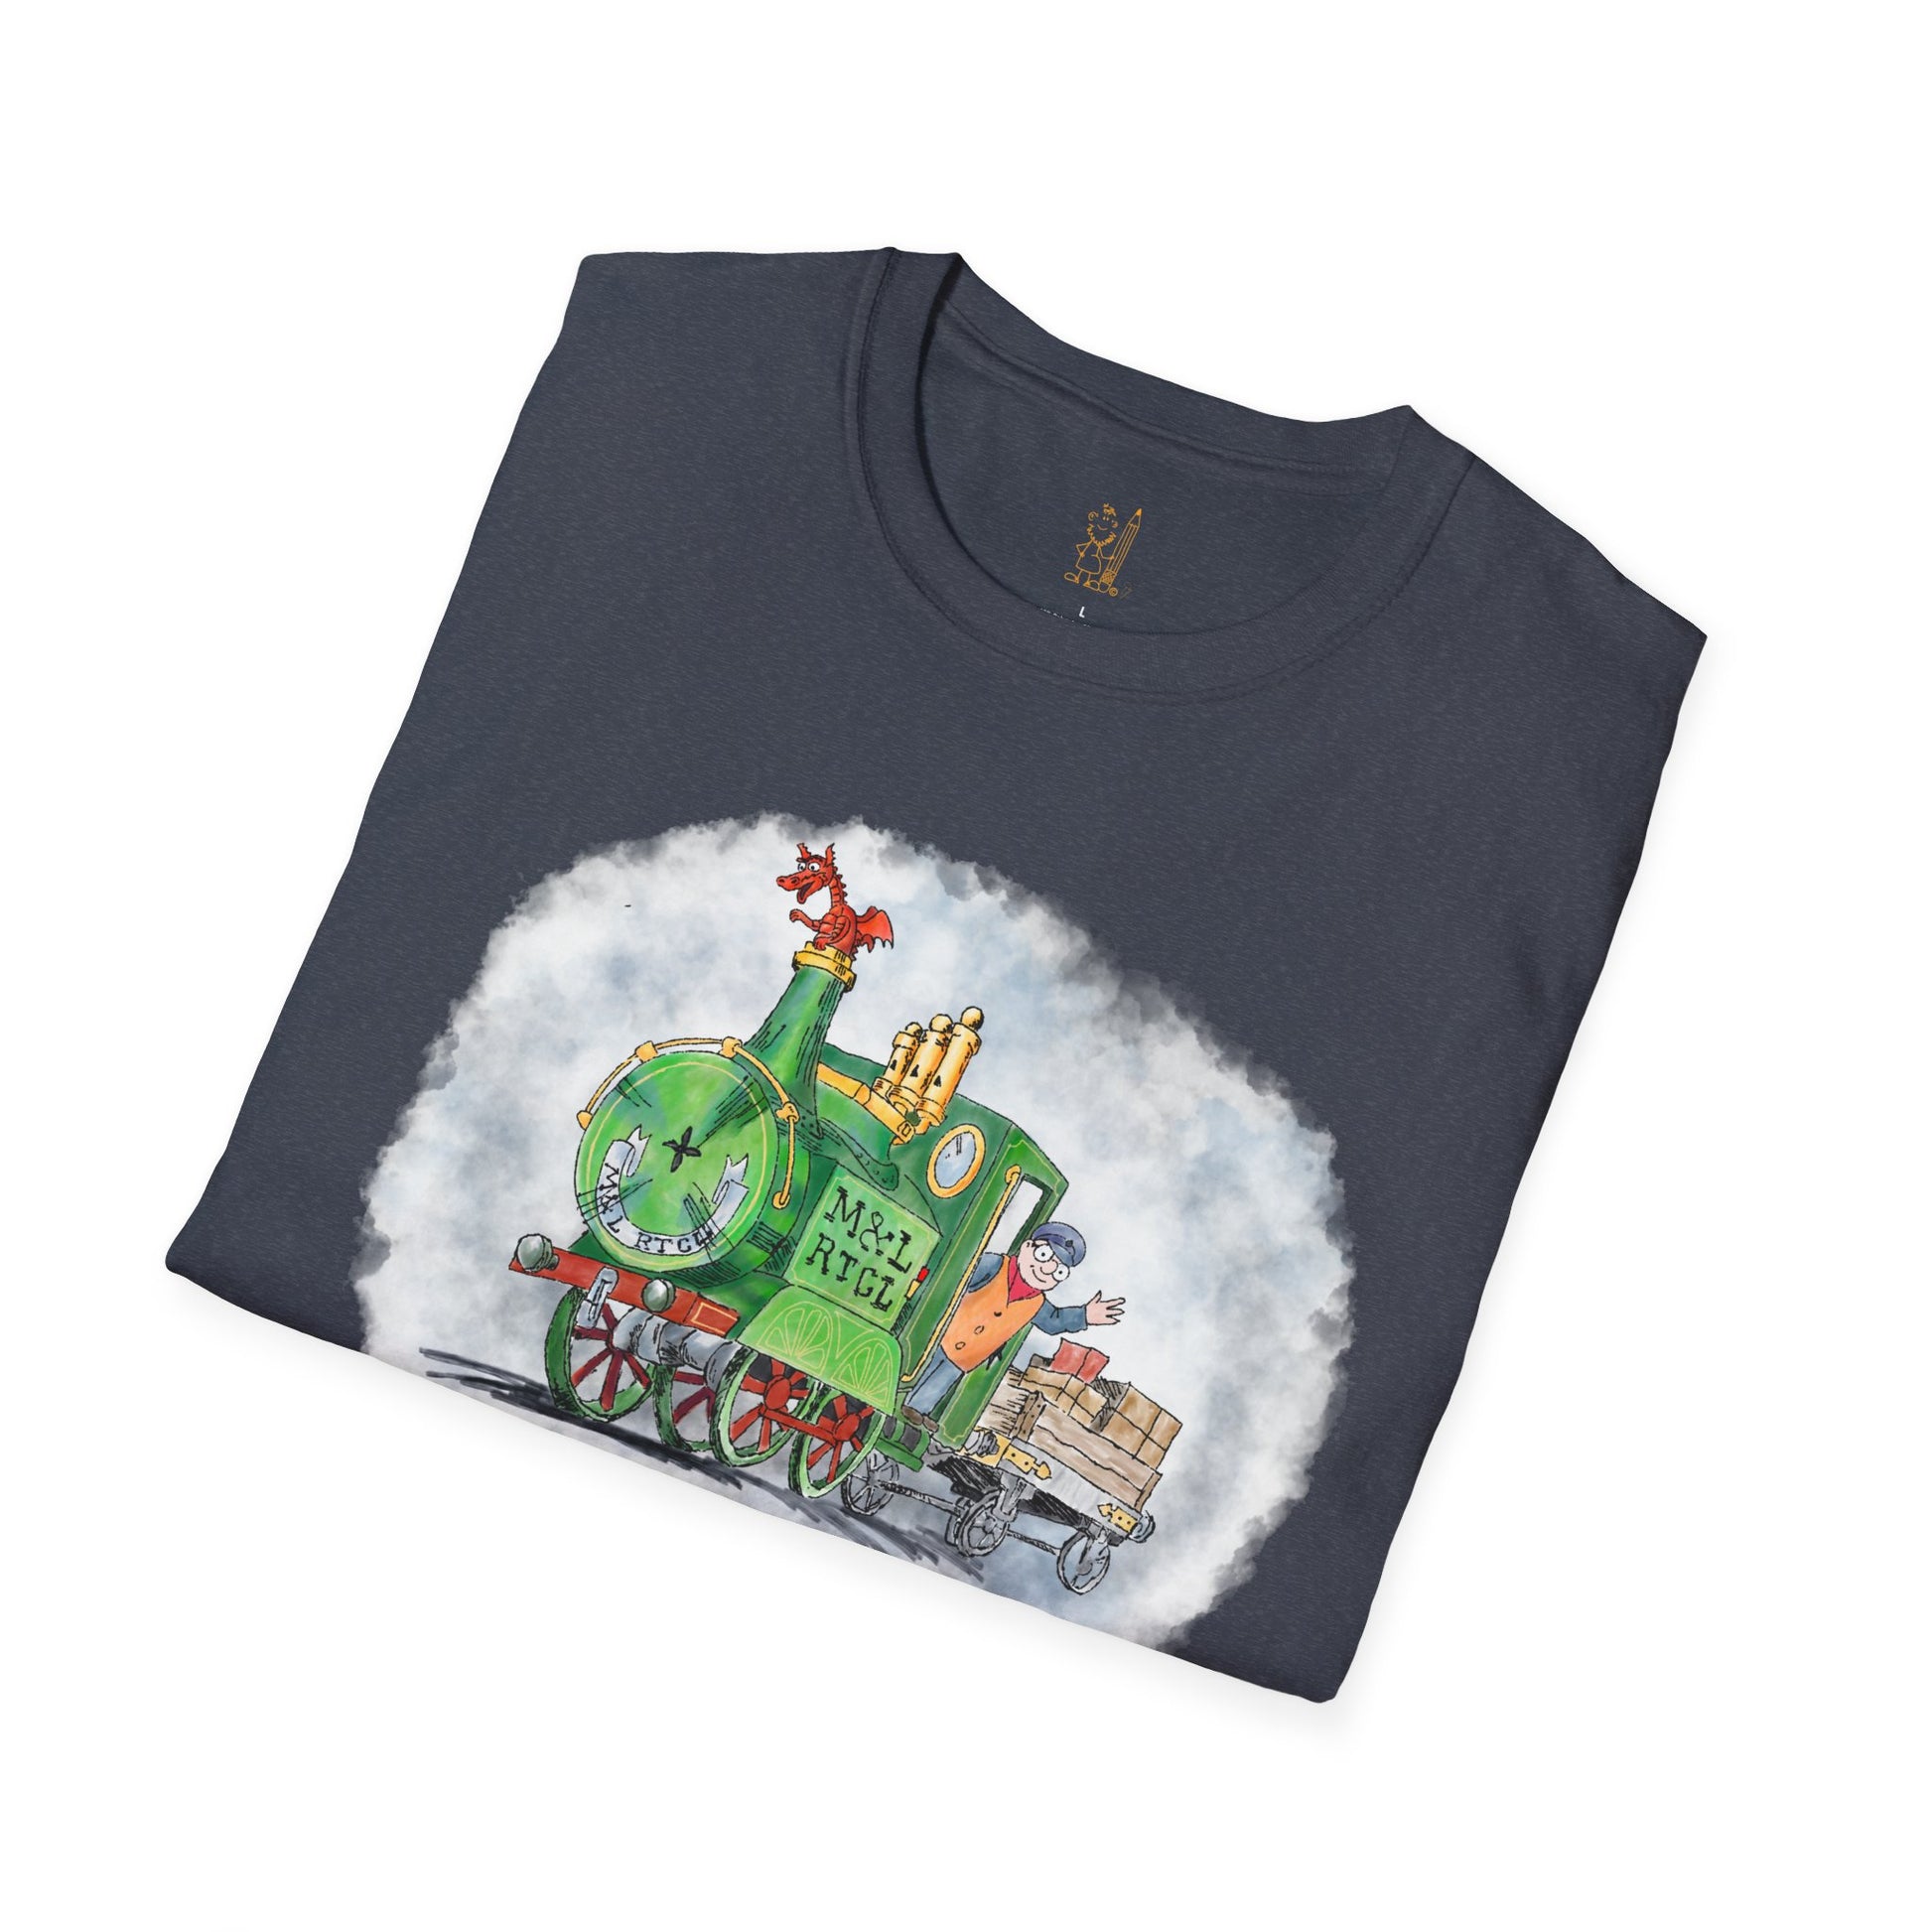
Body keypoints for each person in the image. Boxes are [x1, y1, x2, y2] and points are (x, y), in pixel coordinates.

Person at [902, 1220, 1124, 1431]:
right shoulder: (995, 1265)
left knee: (942, 1379)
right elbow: (960, 1277)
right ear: (1027, 1247)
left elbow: (1054, 1321)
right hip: (943, 1334)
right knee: (919, 1365)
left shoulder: (1037, 1303)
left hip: (966, 1357)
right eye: (1044, 1255)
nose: (1046, 1270)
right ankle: (902, 1396)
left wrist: (1084, 1315)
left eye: (1058, 1271)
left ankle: (918, 1408)